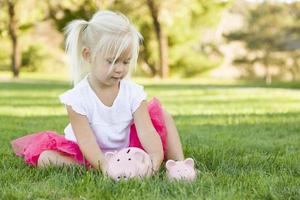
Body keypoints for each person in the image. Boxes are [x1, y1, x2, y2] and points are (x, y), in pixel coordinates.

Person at [11, 10, 187, 176]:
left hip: (126, 148)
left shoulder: (133, 93)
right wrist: (105, 167)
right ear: (88, 55)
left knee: (162, 115)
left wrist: (155, 160)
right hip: (88, 152)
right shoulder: (77, 99)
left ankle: (178, 163)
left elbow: (146, 131)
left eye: (126, 62)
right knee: (46, 158)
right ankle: (99, 168)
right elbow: (86, 141)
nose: (119, 69)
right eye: (112, 61)